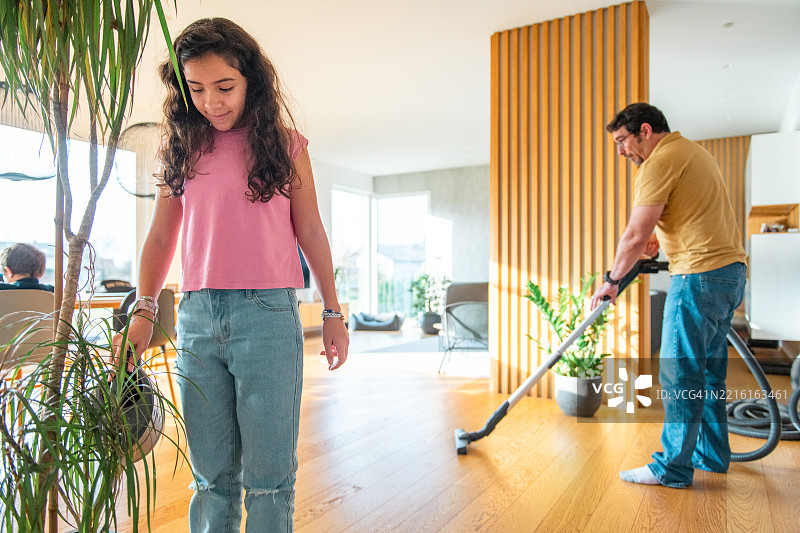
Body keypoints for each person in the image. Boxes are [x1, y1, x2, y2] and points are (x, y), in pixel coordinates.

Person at [112, 18, 349, 532]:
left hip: (266, 317)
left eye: (225, 87)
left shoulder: (286, 145)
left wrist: (333, 311)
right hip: (196, 317)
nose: (211, 102)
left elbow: (310, 229)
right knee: (210, 478)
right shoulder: (181, 146)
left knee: (269, 479)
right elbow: (160, 238)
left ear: (251, 81)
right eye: (195, 89)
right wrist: (144, 310)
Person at [590, 103, 746, 489]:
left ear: (645, 130)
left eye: (623, 141)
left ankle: (671, 468)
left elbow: (633, 235)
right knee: (707, 373)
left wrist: (611, 279)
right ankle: (710, 456)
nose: (621, 151)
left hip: (698, 275)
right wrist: (661, 241)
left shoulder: (657, 162)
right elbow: (693, 213)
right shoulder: (691, 151)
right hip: (730, 273)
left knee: (679, 373)